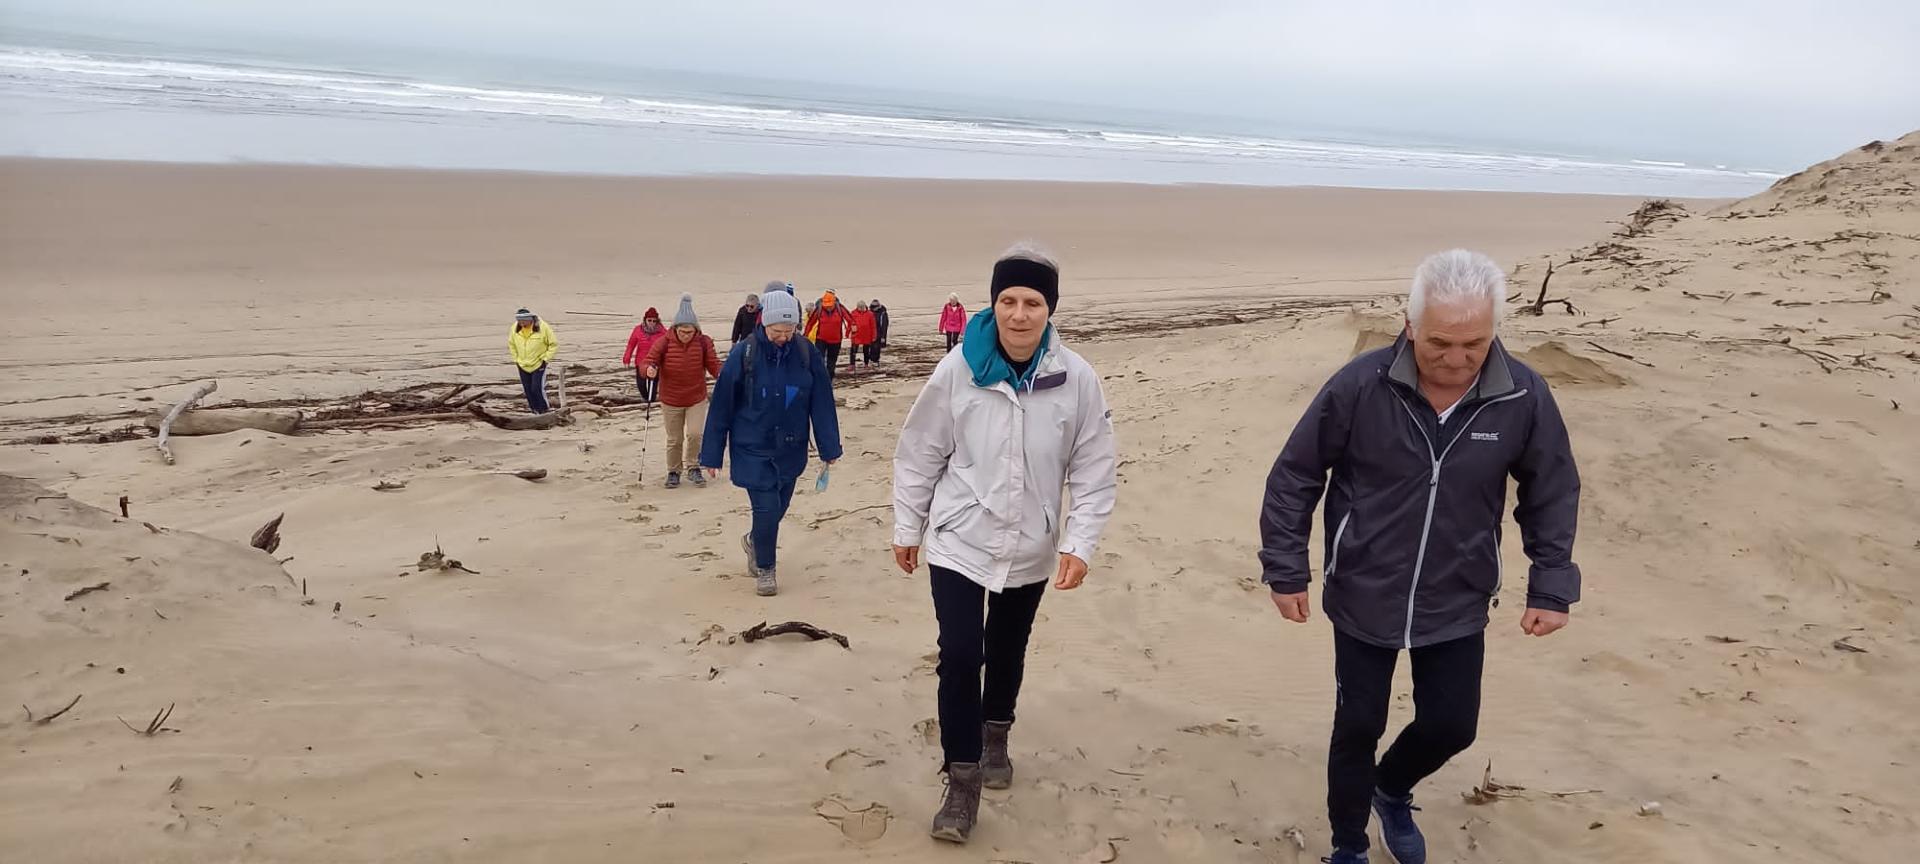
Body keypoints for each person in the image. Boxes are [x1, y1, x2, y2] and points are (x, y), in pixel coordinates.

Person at [1258, 249, 1582, 864]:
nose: (1456, 360)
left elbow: (1552, 488)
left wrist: (1551, 584)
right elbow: (1296, 474)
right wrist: (1285, 567)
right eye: (1440, 342)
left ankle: (1392, 785)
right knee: (1357, 727)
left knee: (1453, 725)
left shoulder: (1521, 396)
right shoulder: (1361, 385)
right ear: (1409, 326)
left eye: (1475, 344)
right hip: (1363, 588)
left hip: (1457, 591)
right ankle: (1349, 848)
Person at [892, 244, 1118, 845]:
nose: (1019, 314)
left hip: (1032, 546)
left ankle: (997, 736)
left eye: (1033, 302)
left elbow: (1094, 470)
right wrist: (907, 525)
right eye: (1008, 300)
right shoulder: (957, 370)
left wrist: (1080, 542)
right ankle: (961, 781)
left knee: (1008, 649)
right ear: (992, 303)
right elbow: (920, 451)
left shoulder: (1077, 379)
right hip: (959, 538)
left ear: (1051, 310)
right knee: (962, 655)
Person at [700, 290, 841, 597]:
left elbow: (821, 401)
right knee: (766, 508)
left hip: (791, 446)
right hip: (752, 446)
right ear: (764, 323)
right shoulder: (744, 353)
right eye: (777, 331)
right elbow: (721, 404)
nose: (783, 337)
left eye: (789, 331)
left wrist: (829, 447)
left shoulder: (805, 353)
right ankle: (766, 568)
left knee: (780, 504)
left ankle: (754, 541)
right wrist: (712, 454)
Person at [644, 294, 723, 489]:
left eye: (690, 331)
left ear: (695, 329)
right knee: (674, 438)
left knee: (695, 434)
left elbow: (714, 365)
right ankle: (673, 471)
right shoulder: (663, 342)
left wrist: (725, 376)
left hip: (696, 397)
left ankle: (694, 467)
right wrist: (649, 369)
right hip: (670, 399)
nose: (686, 335)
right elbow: (647, 361)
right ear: (675, 328)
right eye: (682, 331)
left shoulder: (703, 342)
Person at [508, 308, 559, 414]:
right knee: (528, 390)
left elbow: (553, 344)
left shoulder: (543, 327)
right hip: (522, 364)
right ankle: (534, 410)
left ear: (530, 319)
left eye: (523, 321)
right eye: (519, 321)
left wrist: (545, 359)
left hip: (538, 364)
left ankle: (544, 410)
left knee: (537, 388)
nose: (521, 323)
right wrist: (516, 359)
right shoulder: (514, 328)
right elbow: (511, 344)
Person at [623, 307, 666, 404]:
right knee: (641, 384)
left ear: (657, 321)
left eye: (654, 321)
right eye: (649, 320)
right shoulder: (638, 330)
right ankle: (646, 398)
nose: (651, 322)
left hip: (655, 362)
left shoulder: (663, 332)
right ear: (645, 320)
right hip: (641, 361)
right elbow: (631, 345)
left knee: (653, 383)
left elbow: (669, 346)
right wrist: (627, 359)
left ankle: (651, 401)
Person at [807, 291, 853, 378]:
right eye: (826, 306)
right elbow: (810, 323)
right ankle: (819, 378)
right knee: (819, 360)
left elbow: (851, 321)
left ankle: (829, 380)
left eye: (830, 306)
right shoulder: (819, 309)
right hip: (821, 339)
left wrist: (848, 332)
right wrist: (805, 336)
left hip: (836, 340)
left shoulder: (840, 309)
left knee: (831, 363)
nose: (828, 308)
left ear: (834, 303)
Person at [848, 300, 878, 371]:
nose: (861, 309)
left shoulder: (870, 314)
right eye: (859, 307)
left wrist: (874, 336)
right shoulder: (853, 313)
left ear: (865, 306)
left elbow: (873, 326)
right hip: (856, 335)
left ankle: (866, 364)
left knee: (866, 350)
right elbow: (850, 323)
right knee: (853, 350)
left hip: (867, 335)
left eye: (862, 307)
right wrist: (847, 332)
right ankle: (852, 364)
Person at [870, 298, 891, 365]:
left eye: (874, 307)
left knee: (876, 347)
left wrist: (883, 336)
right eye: (872, 307)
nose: (873, 309)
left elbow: (884, 326)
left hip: (879, 333)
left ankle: (875, 360)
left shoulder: (883, 314)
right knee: (871, 347)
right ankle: (872, 360)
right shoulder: (870, 312)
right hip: (871, 333)